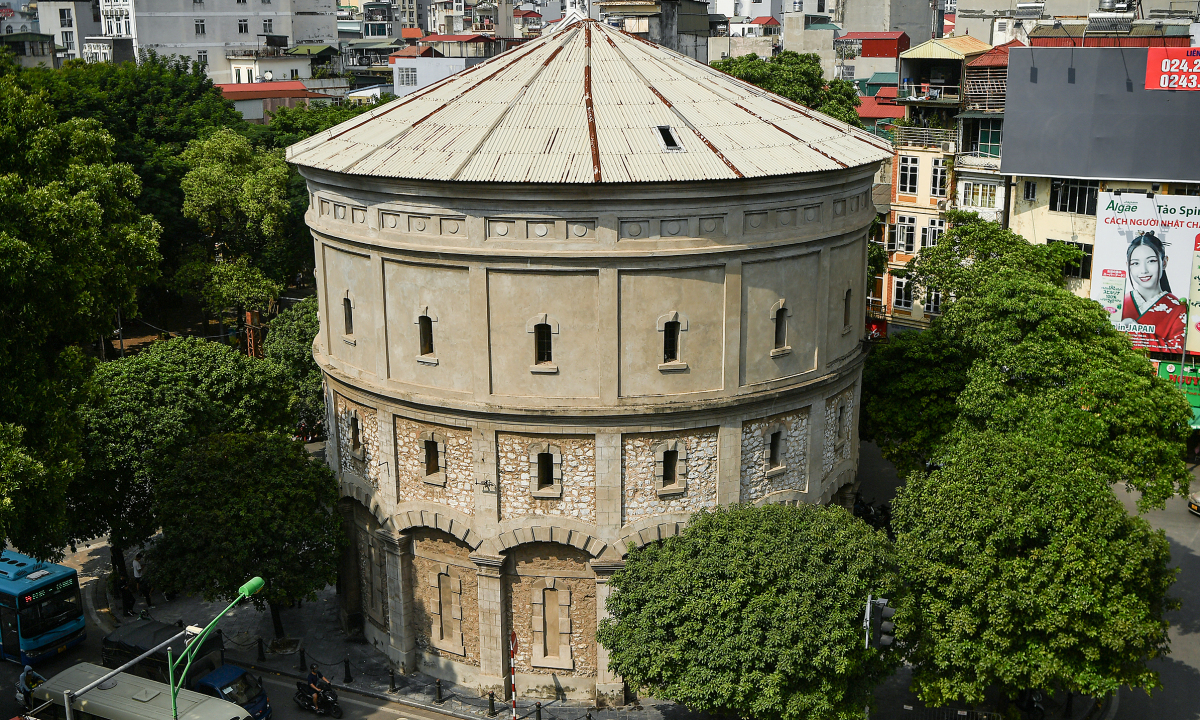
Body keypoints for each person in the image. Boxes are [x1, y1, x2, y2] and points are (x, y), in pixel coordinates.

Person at [1118, 231, 1186, 352]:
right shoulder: (1118, 305)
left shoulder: (1179, 310)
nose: (1143, 270)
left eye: (1151, 261)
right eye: (1135, 263)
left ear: (1164, 262)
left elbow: (1179, 351)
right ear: (1128, 265)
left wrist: (1135, 333)